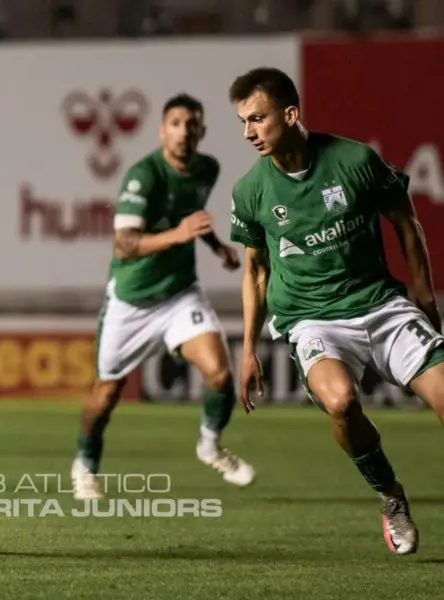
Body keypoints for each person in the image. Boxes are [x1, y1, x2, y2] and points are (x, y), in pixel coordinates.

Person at [228, 67, 444, 556]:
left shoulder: (354, 160)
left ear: (290, 113)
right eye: (242, 122)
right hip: (313, 320)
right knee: (342, 402)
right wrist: (247, 351)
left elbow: (406, 221)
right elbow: (255, 272)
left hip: (382, 306)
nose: (248, 133)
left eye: (257, 119)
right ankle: (390, 496)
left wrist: (424, 296)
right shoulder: (250, 191)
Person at [71, 93, 255, 501]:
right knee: (104, 398)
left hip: (178, 295)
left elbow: (189, 217)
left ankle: (209, 444)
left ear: (202, 132)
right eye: (175, 123)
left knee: (221, 374)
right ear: (162, 130)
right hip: (131, 301)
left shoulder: (208, 168)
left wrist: (216, 246)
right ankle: (85, 464)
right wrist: (180, 235)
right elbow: (123, 244)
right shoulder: (144, 176)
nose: (184, 131)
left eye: (192, 124)